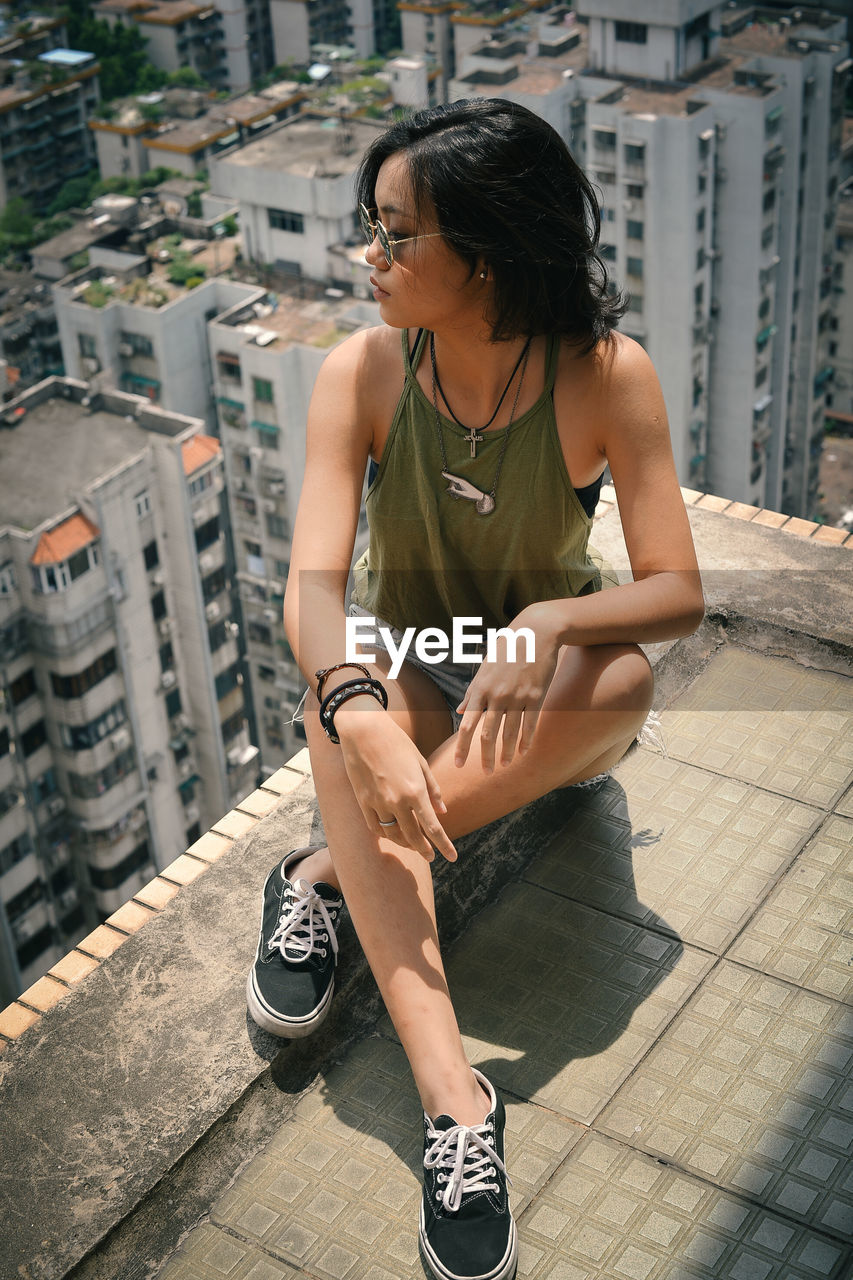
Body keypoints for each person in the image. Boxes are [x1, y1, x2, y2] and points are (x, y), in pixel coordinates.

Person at [247, 98, 704, 1280]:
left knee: (624, 679)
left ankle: (319, 872)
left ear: (487, 250)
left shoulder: (605, 374)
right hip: (408, 667)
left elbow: (675, 588)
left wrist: (551, 617)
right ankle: (461, 1111)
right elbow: (307, 590)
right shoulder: (362, 370)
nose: (370, 255)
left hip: (540, 692)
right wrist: (357, 712)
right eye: (372, 225)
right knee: (334, 691)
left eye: (398, 234)